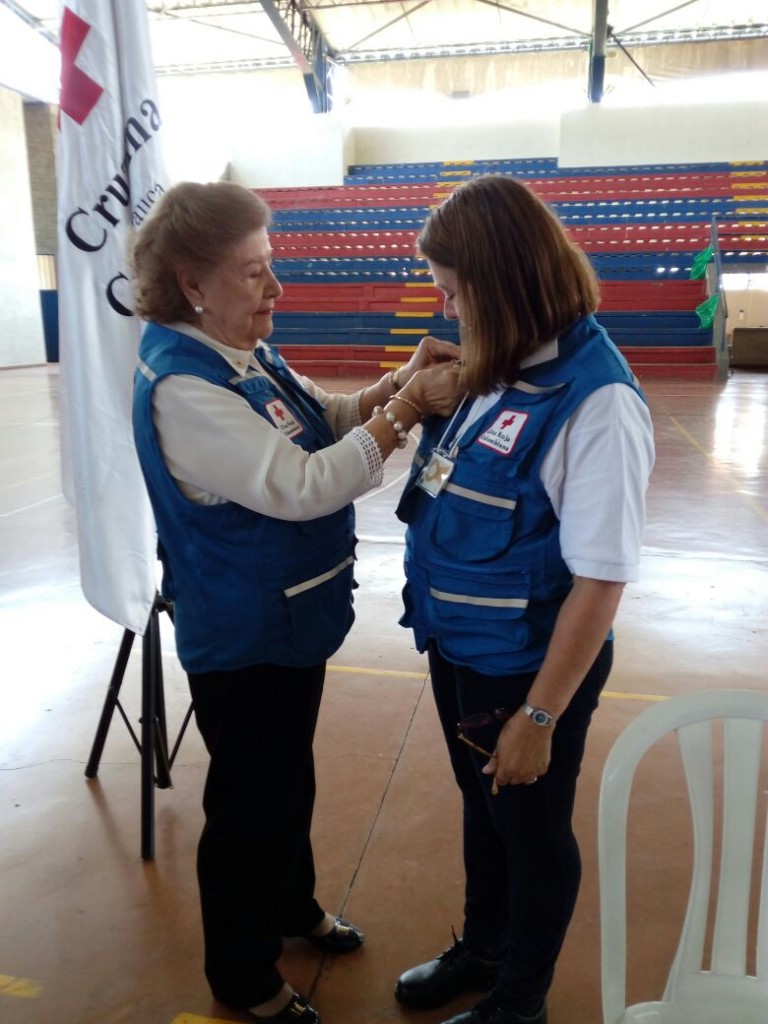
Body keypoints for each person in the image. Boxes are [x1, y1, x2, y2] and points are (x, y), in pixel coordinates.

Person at [129, 180, 463, 1024]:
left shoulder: (244, 355)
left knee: (288, 776)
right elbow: (305, 484)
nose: (275, 289)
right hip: (240, 629)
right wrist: (408, 414)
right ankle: (242, 975)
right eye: (253, 275)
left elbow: (323, 418)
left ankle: (291, 906)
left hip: (288, 618)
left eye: (271, 267)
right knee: (246, 801)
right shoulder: (185, 386)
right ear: (193, 283)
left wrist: (396, 386)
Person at [392, 174, 655, 1024]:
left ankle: (519, 1002)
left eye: (455, 290)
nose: (449, 307)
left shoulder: (599, 403)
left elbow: (601, 579)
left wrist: (538, 719)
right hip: (462, 648)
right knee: (484, 810)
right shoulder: (499, 366)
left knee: (534, 836)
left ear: (500, 286)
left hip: (529, 670)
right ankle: (485, 946)